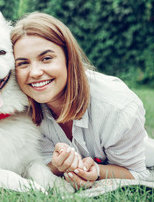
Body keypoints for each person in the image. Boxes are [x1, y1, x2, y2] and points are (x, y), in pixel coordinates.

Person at [11, 12, 152, 189]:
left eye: (46, 58)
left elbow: (137, 173)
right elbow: (38, 164)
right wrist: (58, 166)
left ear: (69, 58)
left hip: (135, 153)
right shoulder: (21, 110)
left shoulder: (118, 108)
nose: (35, 72)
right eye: (23, 63)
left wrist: (98, 171)